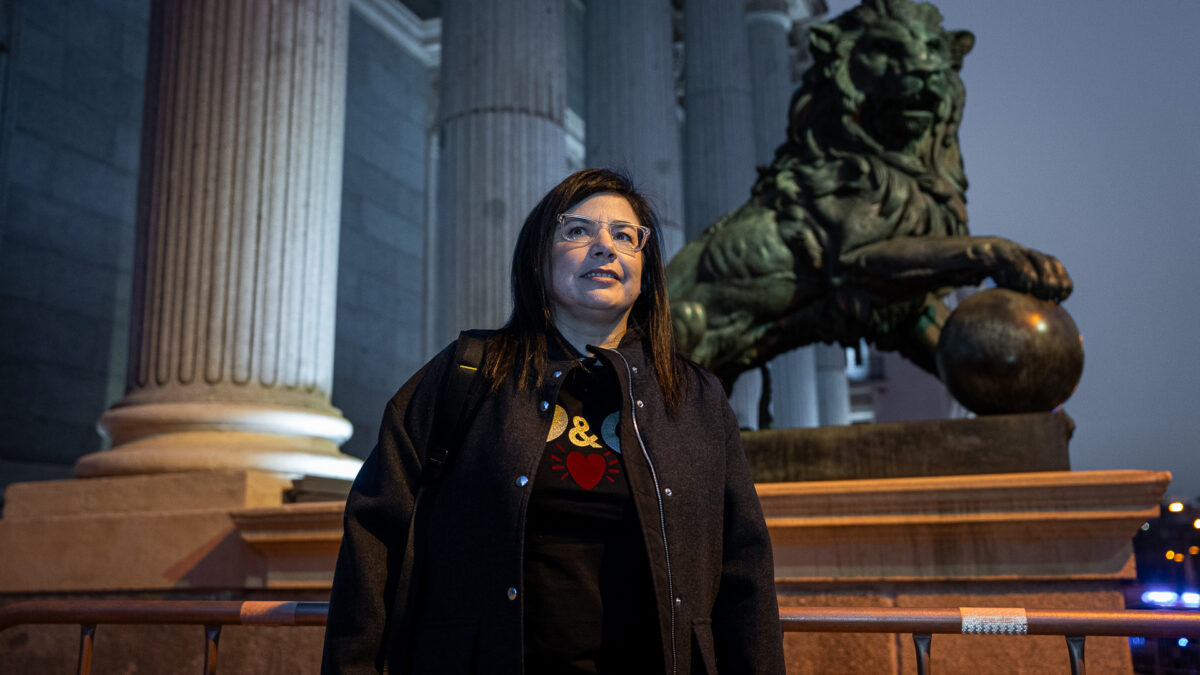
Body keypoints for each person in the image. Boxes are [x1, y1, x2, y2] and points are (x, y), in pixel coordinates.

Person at [321, 169, 785, 674]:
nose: (604, 247)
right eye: (578, 230)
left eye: (625, 236)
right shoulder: (468, 373)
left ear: (646, 271)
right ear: (538, 260)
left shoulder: (696, 397)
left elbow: (744, 570)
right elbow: (375, 532)